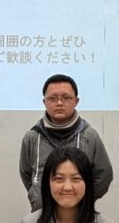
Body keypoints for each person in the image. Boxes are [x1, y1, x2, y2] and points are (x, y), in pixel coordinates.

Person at [19, 74, 113, 212]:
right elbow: (26, 173)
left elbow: (104, 175)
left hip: (79, 215)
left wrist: (84, 199)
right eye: (52, 98)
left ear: (76, 101)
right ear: (44, 102)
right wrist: (36, 196)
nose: (59, 103)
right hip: (42, 213)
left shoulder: (89, 136)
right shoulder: (32, 137)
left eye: (66, 98)